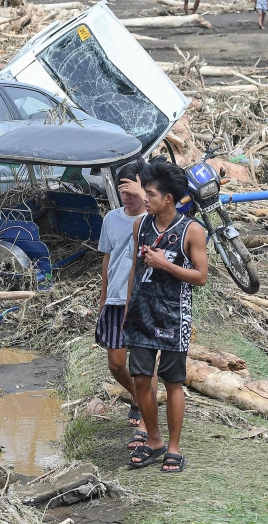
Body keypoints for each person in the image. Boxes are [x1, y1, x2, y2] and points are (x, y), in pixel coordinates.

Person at [124, 160, 208, 473]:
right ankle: (154, 440)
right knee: (142, 379)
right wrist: (127, 309)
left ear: (168, 198)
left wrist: (166, 265)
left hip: (173, 317)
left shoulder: (192, 231)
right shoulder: (140, 226)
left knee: (173, 382)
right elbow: (135, 268)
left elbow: (200, 276)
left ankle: (173, 447)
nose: (144, 198)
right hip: (141, 315)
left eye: (150, 193)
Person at [96, 160, 154, 451]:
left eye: (131, 190)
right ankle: (139, 397)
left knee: (144, 366)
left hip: (144, 301)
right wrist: (103, 298)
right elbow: (108, 259)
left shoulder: (154, 218)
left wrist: (144, 196)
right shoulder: (111, 219)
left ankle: (146, 421)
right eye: (122, 192)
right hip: (116, 299)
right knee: (116, 363)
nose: (126, 197)